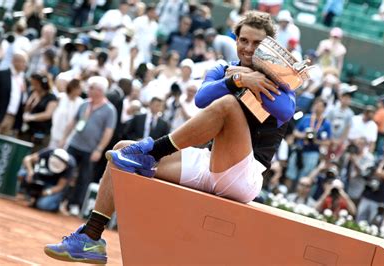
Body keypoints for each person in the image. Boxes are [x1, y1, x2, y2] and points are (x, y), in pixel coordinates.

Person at [45, 11, 295, 264]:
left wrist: (254, 82)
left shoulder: (280, 80)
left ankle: (152, 152)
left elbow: (285, 111)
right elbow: (202, 99)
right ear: (236, 40)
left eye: (257, 43)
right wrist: (239, 79)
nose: (249, 48)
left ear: (269, 46)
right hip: (210, 162)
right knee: (120, 151)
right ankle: (91, 237)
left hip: (245, 176)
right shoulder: (224, 68)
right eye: (244, 40)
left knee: (229, 105)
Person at [59, 76, 117, 216]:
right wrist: (64, 139)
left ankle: (75, 204)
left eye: (91, 88)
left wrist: (99, 149)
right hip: (74, 144)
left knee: (84, 178)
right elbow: (73, 122)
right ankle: (60, 200)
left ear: (100, 91)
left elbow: (108, 132)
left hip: (90, 149)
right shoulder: (85, 104)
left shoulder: (109, 109)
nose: (88, 90)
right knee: (65, 172)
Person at [0, 51, 28, 135]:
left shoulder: (22, 79)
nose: (25, 65)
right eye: (23, 62)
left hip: (12, 118)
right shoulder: (1, 75)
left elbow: (23, 100)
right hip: (1, 115)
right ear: (15, 61)